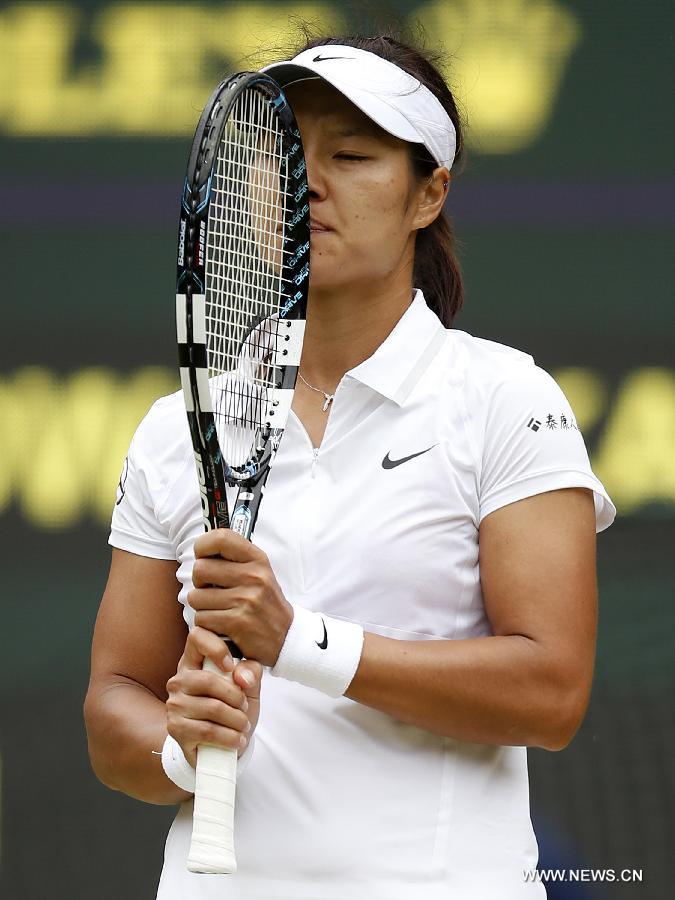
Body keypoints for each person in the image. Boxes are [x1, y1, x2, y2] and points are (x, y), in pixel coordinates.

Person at [84, 33, 616, 900]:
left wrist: (297, 641)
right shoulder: (172, 429)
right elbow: (115, 713)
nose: (308, 184)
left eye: (353, 155)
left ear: (427, 193)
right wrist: (177, 744)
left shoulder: (504, 398)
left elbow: (550, 693)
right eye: (282, 157)